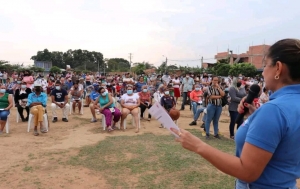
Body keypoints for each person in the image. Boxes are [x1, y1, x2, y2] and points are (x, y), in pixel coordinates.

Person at [171, 38, 300, 189]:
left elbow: (247, 172)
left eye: (266, 65)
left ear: (278, 68)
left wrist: (199, 146)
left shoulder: (274, 110)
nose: (263, 71)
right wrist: (255, 116)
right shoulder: (288, 106)